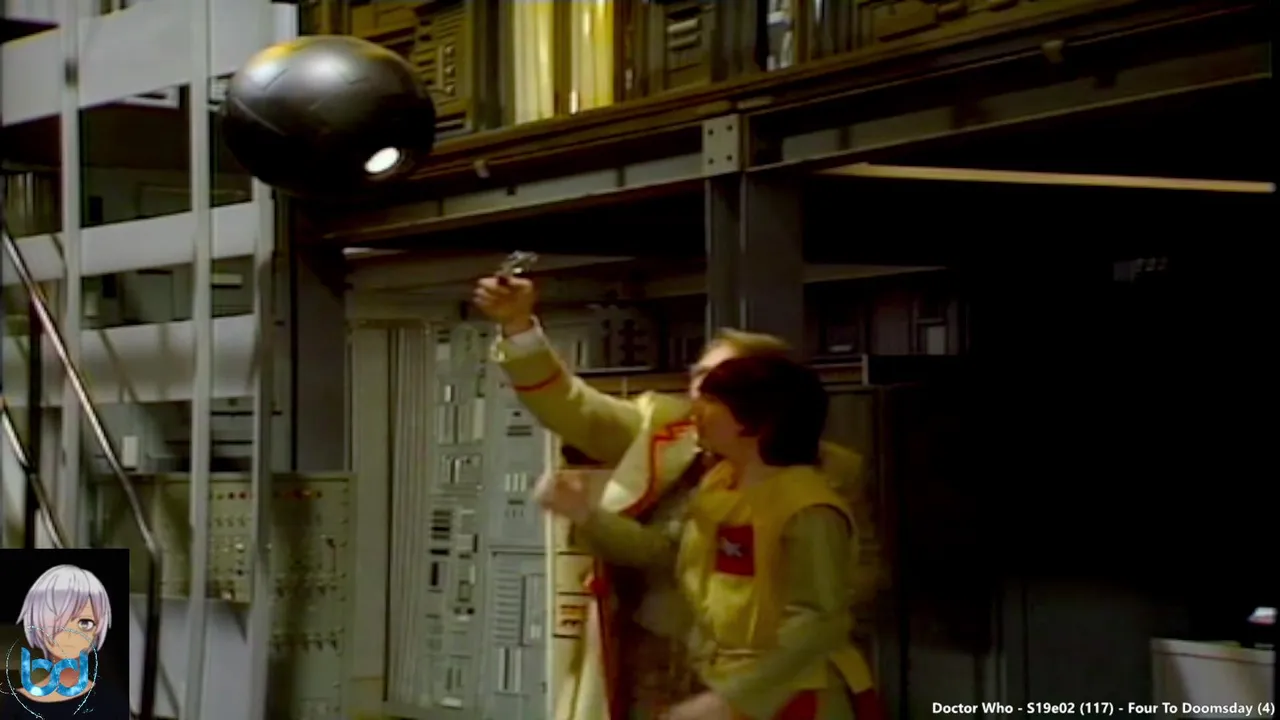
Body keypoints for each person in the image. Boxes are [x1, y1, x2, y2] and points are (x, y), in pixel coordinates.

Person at [474, 276, 881, 720]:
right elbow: (572, 408)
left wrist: (760, 660)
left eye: (720, 384)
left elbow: (836, 598)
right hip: (665, 651)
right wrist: (518, 326)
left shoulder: (816, 485)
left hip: (770, 673)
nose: (698, 397)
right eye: (699, 378)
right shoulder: (675, 442)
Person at [2, 564, 130, 720]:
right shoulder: (16, 705)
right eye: (58, 622)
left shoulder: (113, 703)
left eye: (85, 623)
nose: (70, 634)